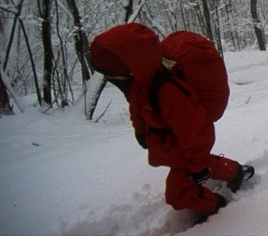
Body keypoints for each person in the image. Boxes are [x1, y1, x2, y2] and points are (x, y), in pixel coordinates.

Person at [89, 23, 253, 222]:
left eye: (111, 73)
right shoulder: (138, 83)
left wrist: (198, 165)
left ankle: (217, 207)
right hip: (173, 145)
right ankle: (236, 172)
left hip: (183, 146)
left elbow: (195, 129)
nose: (109, 78)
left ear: (129, 65)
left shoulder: (167, 90)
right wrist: (140, 130)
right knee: (199, 165)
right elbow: (136, 107)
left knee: (178, 195)